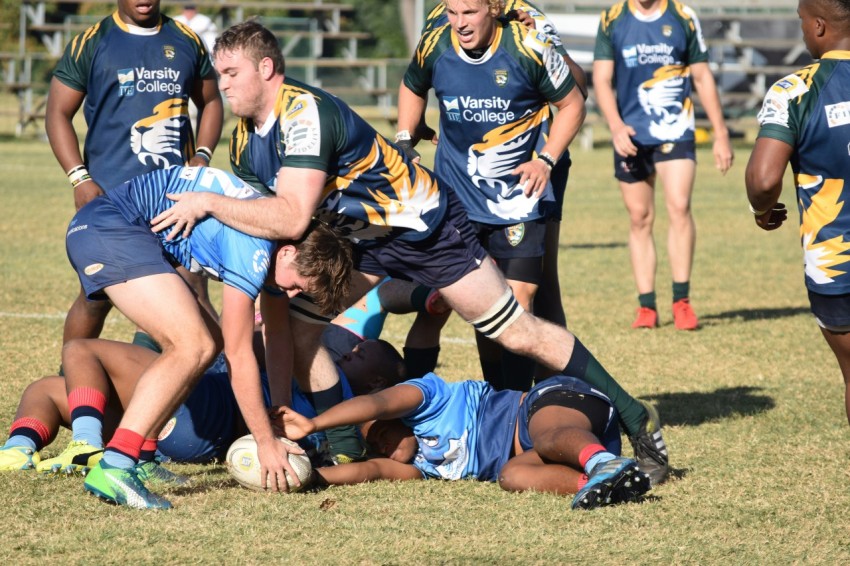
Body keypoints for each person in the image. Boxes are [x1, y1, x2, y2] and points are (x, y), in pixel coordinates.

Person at [150, 20, 670, 487]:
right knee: (297, 326)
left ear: (266, 68)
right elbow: (278, 234)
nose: (223, 84)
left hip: (423, 228)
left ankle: (631, 414)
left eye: (232, 72)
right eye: (219, 73)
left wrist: (208, 202)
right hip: (357, 242)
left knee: (515, 330)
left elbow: (290, 216)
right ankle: (340, 446)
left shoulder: (303, 112)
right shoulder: (244, 144)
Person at [65, 165, 352, 509]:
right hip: (108, 227)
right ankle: (116, 464)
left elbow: (277, 335)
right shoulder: (257, 248)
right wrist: (264, 442)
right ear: (289, 252)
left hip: (116, 227)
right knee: (193, 345)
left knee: (207, 344)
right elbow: (239, 354)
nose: (290, 294)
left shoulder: (274, 242)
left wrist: (278, 412)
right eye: (296, 285)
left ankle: (142, 455)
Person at [396, 0, 585, 392]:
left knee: (523, 299)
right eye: (453, 12)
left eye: (469, 13)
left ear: (493, 8)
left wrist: (546, 159)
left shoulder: (528, 37)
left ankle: (527, 401)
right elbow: (413, 83)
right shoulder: (436, 38)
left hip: (519, 193)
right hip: (457, 194)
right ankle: (478, 399)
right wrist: (405, 136)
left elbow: (574, 96)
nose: (459, 23)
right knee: (462, 302)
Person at [45, 0, 224, 349]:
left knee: (192, 289)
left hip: (173, 196)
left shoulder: (186, 39)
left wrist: (201, 156)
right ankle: (70, 377)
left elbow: (212, 101)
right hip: (111, 199)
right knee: (98, 296)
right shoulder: (93, 42)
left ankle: (214, 389)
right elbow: (57, 113)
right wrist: (80, 178)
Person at [0, 335, 406, 474]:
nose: (351, 350)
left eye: (363, 352)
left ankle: (86, 443)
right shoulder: (328, 388)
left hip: (206, 404)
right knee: (48, 388)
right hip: (180, 438)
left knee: (81, 350)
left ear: (378, 381)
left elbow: (392, 442)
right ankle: (18, 451)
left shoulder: (351, 400)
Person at [277, 371, 651, 510]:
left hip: (553, 406)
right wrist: (308, 478)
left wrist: (313, 424)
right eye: (374, 444)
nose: (381, 444)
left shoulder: (428, 397)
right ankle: (607, 483)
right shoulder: (422, 467)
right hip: (548, 452)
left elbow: (375, 402)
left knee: (550, 437)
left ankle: (601, 462)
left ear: (395, 415)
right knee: (511, 477)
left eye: (380, 431)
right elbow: (372, 470)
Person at [592, 0, 733, 330]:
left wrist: (721, 133)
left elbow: (701, 76)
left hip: (676, 129)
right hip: (631, 135)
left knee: (679, 206)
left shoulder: (683, 16)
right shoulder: (612, 19)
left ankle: (682, 301)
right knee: (640, 217)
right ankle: (646, 306)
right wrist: (615, 126)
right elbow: (601, 80)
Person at [745, 0, 850, 426]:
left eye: (803, 22)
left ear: (820, 27)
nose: (802, 30)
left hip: (837, 265)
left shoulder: (796, 90)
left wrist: (763, 210)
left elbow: (764, 179)